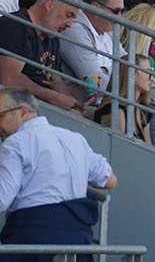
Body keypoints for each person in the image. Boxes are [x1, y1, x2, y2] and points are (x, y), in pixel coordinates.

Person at [0, 85, 117, 258]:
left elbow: (2, 198)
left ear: (23, 112)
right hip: (78, 244)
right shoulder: (75, 139)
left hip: (31, 242)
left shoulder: (16, 142)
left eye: (0, 116)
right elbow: (110, 180)